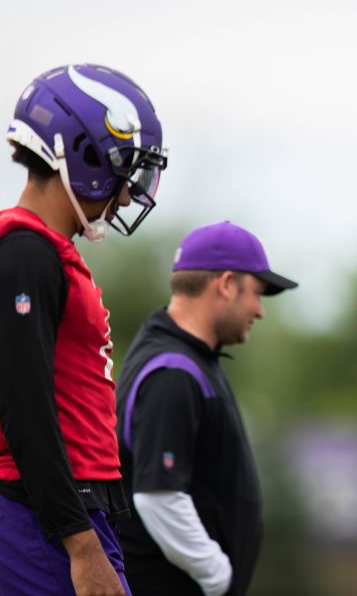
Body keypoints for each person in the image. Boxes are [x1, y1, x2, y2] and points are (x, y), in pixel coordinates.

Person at [0, 64, 168, 595]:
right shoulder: (22, 255)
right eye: (126, 171)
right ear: (88, 154)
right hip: (46, 516)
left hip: (58, 510)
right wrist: (80, 542)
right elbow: (25, 408)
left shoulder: (41, 252)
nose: (129, 194)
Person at [115, 221, 298, 596]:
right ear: (227, 284)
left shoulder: (185, 358)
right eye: (257, 293)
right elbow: (158, 496)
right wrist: (217, 577)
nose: (259, 310)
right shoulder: (172, 371)